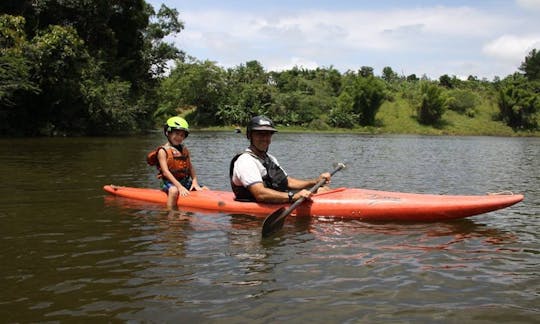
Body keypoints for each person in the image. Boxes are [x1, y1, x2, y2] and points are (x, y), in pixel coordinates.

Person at [230, 115, 331, 203]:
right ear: (249, 136)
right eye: (260, 134)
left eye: (268, 134)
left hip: (276, 199)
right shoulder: (245, 161)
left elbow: (288, 182)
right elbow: (260, 194)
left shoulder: (270, 158)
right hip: (256, 203)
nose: (265, 138)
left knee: (323, 190)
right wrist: (293, 196)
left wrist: (315, 182)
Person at [153, 116, 207, 209]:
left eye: (182, 135)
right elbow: (165, 172)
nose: (179, 137)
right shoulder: (163, 151)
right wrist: (179, 187)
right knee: (174, 191)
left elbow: (190, 167)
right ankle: (170, 214)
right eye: (177, 133)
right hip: (169, 182)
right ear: (167, 132)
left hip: (184, 181)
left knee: (205, 189)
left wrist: (194, 182)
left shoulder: (184, 149)